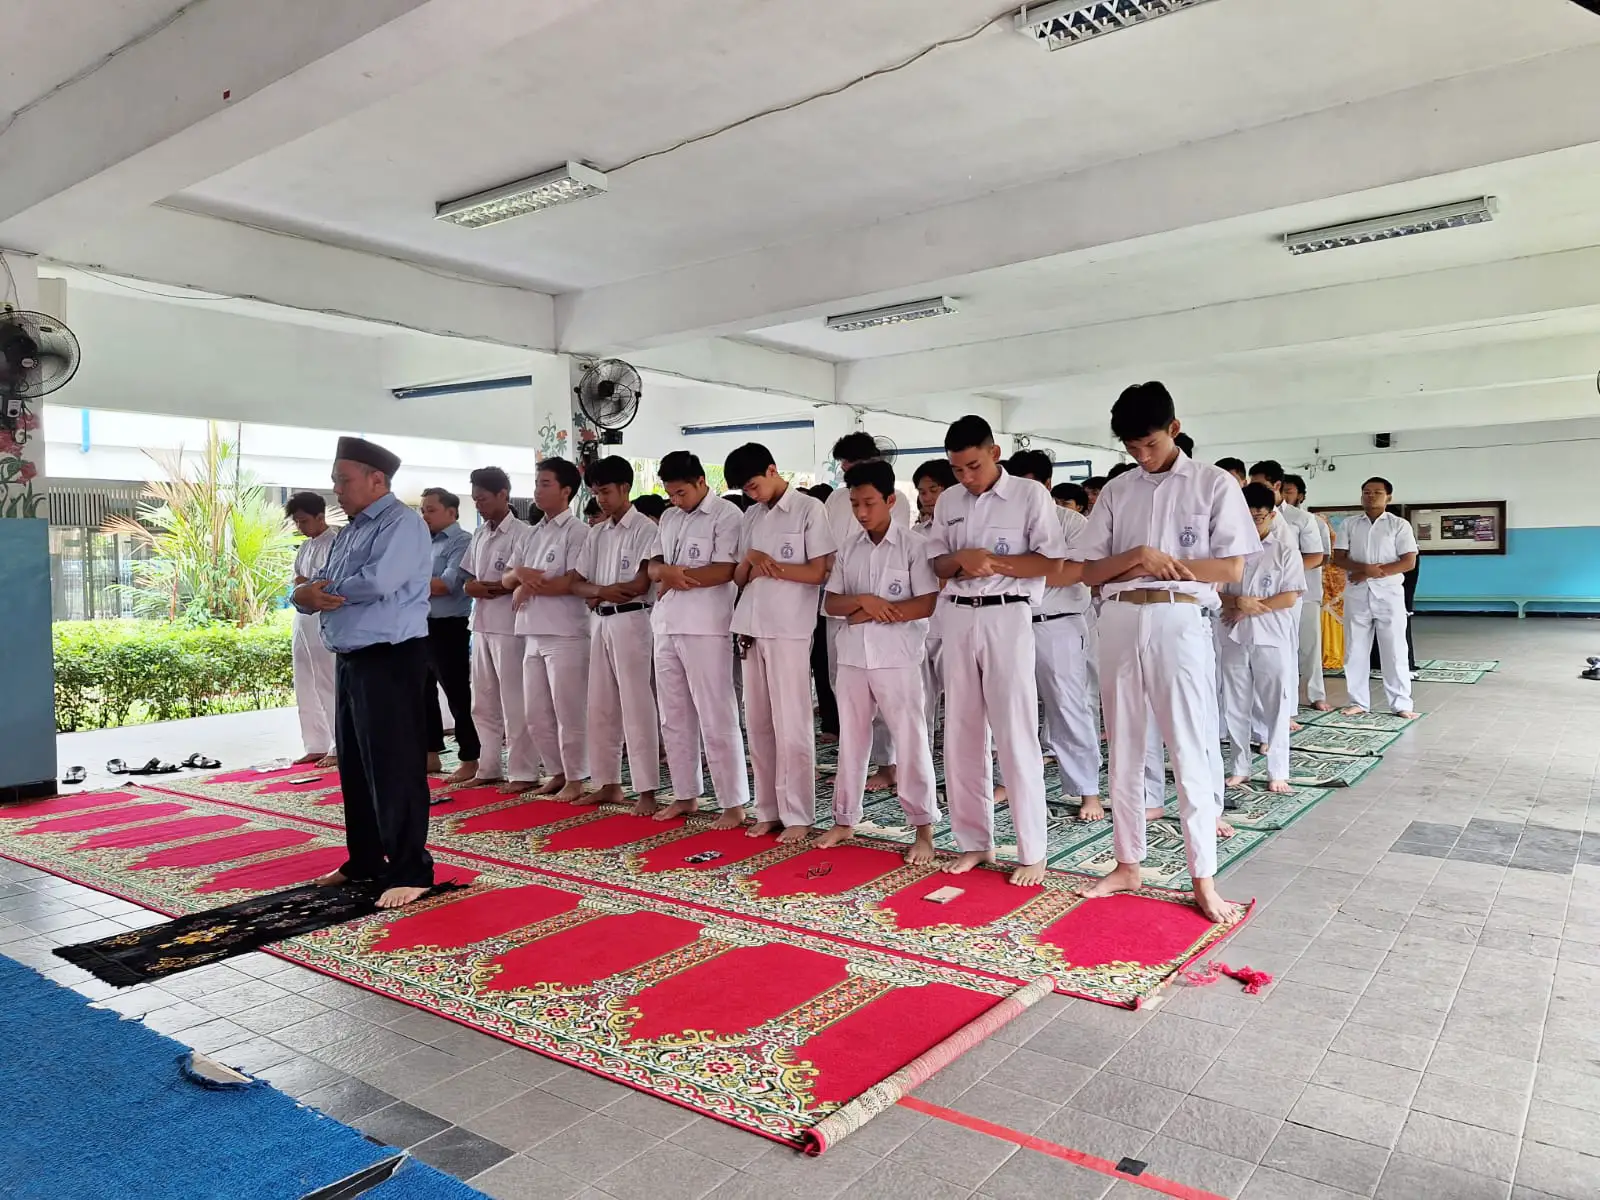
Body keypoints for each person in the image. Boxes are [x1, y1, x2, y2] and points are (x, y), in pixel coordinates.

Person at [1072, 382, 1254, 924]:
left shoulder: (1213, 484)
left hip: (1179, 619)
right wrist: (1138, 557)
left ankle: (1204, 876)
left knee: (1188, 744)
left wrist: (1157, 565)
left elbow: (1230, 569)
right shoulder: (1118, 491)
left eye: (1148, 443)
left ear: (1174, 430)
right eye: (1130, 446)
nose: (1140, 454)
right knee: (1124, 741)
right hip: (1121, 618)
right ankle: (1127, 861)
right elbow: (1088, 571)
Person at [929, 415, 1070, 887]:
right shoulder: (949, 500)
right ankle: (974, 840)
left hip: (1007, 614)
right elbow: (936, 562)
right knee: (963, 730)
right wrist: (960, 561)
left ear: (994, 454)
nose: (965, 477)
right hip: (958, 614)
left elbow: (1051, 560)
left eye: (972, 466)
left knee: (1015, 729)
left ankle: (1032, 849)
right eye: (957, 470)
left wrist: (991, 563)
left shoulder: (1030, 495)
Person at [294, 437, 434, 909]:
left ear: (378, 480)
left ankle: (413, 869)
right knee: (355, 768)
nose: (336, 489)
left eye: (344, 480)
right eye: (335, 480)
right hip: (353, 657)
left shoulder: (402, 525)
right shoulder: (352, 529)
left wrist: (317, 592)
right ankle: (366, 859)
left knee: (394, 766)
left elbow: (377, 582)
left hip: (391, 658)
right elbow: (315, 586)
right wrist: (306, 595)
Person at [819, 460, 940, 863]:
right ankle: (844, 818)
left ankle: (923, 829)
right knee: (852, 740)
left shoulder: (914, 546)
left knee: (909, 740)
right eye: (855, 504)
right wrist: (863, 603)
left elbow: (925, 602)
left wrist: (870, 611)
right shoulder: (850, 547)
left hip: (897, 657)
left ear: (891, 499)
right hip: (853, 657)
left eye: (869, 502)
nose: (862, 512)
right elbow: (832, 602)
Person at [726, 443, 836, 842]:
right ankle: (768, 809)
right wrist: (750, 561)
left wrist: (773, 567)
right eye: (746, 491)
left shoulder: (809, 509)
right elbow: (739, 578)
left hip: (789, 627)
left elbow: (820, 571)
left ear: (773, 470)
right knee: (757, 723)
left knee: (792, 723)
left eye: (754, 485)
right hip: (750, 625)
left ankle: (799, 815)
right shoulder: (752, 515)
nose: (751, 495)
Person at [647, 451, 750, 827]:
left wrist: (675, 576)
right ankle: (685, 794)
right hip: (667, 623)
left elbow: (725, 570)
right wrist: (666, 573)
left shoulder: (727, 515)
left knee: (716, 712)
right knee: (673, 715)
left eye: (681, 492)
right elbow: (654, 565)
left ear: (701, 483)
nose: (676, 500)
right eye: (671, 494)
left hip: (707, 624)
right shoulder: (670, 517)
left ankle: (733, 803)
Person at [1007, 451, 1103, 823]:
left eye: (1031, 485)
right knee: (1012, 708)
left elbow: (1071, 573)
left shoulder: (1071, 522)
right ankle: (1014, 783)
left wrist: (1011, 572)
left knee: (1068, 706)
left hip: (1058, 623)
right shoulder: (1004, 522)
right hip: (1012, 620)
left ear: (1047, 485)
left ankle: (1087, 790)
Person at [571, 456, 661, 816]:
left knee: (637, 706)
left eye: (606, 491)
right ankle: (608, 782)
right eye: (596, 493)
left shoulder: (645, 529)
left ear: (625, 487)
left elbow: (639, 585)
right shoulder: (596, 533)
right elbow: (577, 584)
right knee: (601, 705)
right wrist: (601, 591)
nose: (601, 500)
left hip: (634, 621)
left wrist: (598, 591)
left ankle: (647, 789)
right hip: (601, 621)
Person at [822, 432, 908, 791]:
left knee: (890, 694)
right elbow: (827, 551)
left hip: (882, 609)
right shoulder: (835, 499)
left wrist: (864, 605)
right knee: (842, 685)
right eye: (843, 468)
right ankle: (857, 765)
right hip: (840, 601)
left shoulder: (896, 500)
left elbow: (891, 553)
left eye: (852, 466)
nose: (847, 474)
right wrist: (846, 600)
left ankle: (891, 764)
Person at [504, 457, 592, 801]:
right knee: (536, 712)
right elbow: (507, 576)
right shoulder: (534, 533)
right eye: (537, 484)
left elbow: (572, 582)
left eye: (545, 484)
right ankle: (556, 770)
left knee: (568, 710)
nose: (538, 491)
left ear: (566, 491)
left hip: (566, 633)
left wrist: (527, 583)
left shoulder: (578, 532)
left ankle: (577, 776)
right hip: (532, 631)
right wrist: (522, 578)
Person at [1219, 484, 1306, 793]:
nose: (1254, 519)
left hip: (1271, 636)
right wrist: (1237, 604)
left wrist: (1248, 607)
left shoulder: (1285, 550)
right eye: (1248, 514)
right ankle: (1239, 767)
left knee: (1276, 704)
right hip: (1233, 635)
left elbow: (1290, 596)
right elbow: (1216, 592)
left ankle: (1277, 770)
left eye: (1260, 515)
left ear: (1271, 515)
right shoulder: (1228, 550)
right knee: (1235, 703)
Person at [461, 467, 534, 789]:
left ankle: (523, 771)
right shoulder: (480, 534)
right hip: (481, 624)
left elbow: (524, 578)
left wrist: (492, 587)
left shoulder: (523, 533)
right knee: (483, 700)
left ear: (503, 494)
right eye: (475, 499)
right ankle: (489, 766)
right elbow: (466, 575)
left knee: (514, 702)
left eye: (484, 498)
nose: (479, 505)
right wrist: (470, 587)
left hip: (511, 626)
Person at [1249, 460, 1324, 736]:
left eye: (1259, 483)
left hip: (1285, 592)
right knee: (1253, 656)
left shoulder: (1301, 519)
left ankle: (1287, 711)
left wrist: (1283, 572)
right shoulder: (1247, 514)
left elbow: (1316, 556)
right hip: (1251, 591)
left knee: (1285, 652)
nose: (1252, 489)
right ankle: (1257, 719)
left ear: (1276, 485)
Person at [1334, 477, 1419, 718]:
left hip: (1389, 595)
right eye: (1366, 492)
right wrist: (1364, 571)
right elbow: (1339, 557)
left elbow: (1408, 561)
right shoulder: (1350, 524)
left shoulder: (1398, 525)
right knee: (1355, 649)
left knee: (1394, 649)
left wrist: (1371, 572)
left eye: (1377, 492)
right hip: (1357, 593)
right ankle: (1358, 701)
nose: (1371, 496)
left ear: (1388, 497)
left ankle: (1401, 704)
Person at [418, 488, 479, 785]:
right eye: (423, 510)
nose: (425, 515)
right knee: (422, 692)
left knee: (457, 694)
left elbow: (446, 585)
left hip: (448, 626)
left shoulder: (462, 541)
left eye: (430, 509)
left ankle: (470, 757)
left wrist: (409, 583)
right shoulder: (421, 543)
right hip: (420, 624)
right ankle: (431, 753)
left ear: (451, 512)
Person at [285, 492, 338, 767]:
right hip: (301, 619)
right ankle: (315, 743)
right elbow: (298, 580)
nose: (300, 526)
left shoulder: (336, 543)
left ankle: (338, 745)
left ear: (320, 516)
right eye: (296, 522)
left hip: (323, 618)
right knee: (304, 680)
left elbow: (325, 583)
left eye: (304, 520)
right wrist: (306, 585)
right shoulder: (305, 547)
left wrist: (307, 585)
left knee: (327, 679)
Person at [912, 459, 956, 737]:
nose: (926, 497)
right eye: (922, 491)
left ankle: (975, 776)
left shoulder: (963, 530)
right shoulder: (915, 534)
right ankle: (921, 771)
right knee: (920, 705)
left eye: (933, 490)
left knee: (965, 705)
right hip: (921, 628)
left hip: (956, 626)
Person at [1281, 473, 1333, 710]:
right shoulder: (1258, 518)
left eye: (1289, 490)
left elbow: (1324, 557)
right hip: (1275, 594)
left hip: (1308, 591)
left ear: (1300, 495)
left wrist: (1287, 565)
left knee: (1309, 646)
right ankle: (1286, 698)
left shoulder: (1310, 521)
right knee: (1281, 648)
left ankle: (1316, 694)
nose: (1284, 494)